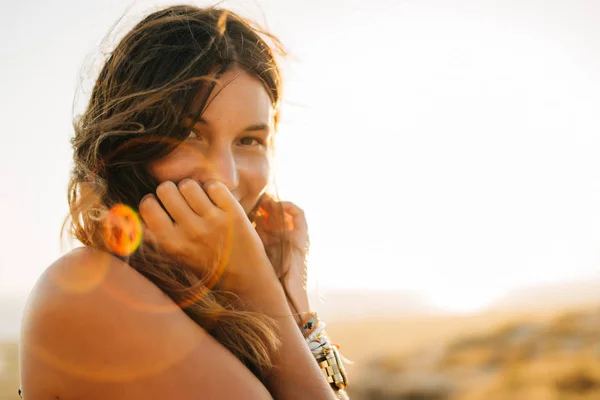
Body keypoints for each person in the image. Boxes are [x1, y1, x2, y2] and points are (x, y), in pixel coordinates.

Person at [18, 5, 349, 399]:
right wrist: (261, 288)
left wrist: (296, 306)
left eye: (249, 140)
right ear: (125, 142)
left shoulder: (210, 299)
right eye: (189, 133)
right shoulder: (89, 289)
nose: (226, 177)